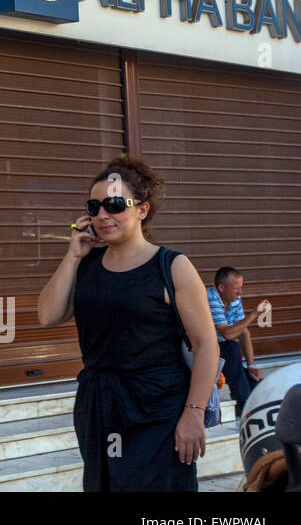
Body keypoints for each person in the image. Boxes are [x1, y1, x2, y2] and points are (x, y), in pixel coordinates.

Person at [38, 155, 219, 491]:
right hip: (100, 403)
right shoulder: (87, 263)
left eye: (115, 204)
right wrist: (72, 255)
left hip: (158, 406)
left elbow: (207, 343)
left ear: (142, 210)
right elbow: (48, 315)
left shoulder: (171, 265)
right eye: (95, 206)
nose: (103, 215)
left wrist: (193, 413)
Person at [206, 267, 271, 404]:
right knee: (231, 348)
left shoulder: (234, 299)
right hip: (200, 350)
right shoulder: (210, 298)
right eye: (236, 288)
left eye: (241, 287)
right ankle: (242, 402)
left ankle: (255, 400)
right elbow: (228, 334)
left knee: (252, 378)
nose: (240, 292)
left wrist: (251, 366)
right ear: (221, 288)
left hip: (220, 349)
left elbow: (243, 332)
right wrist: (254, 314)